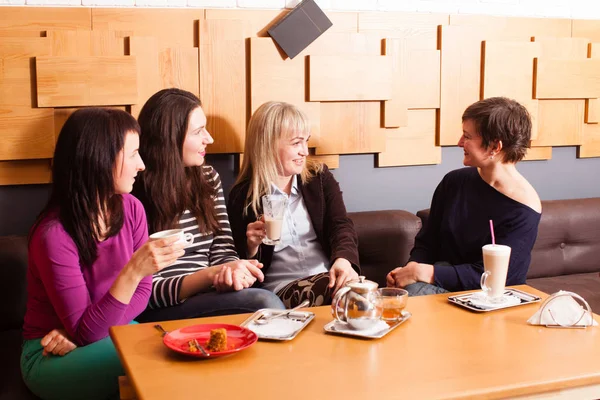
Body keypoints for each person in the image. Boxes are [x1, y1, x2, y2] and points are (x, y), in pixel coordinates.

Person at [21, 108, 184, 400]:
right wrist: (133, 270)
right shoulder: (53, 235)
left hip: (85, 336)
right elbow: (88, 330)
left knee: (173, 348)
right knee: (155, 363)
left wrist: (83, 332)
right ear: (100, 159)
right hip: (49, 352)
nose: (142, 165)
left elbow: (142, 294)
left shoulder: (132, 208)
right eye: (133, 154)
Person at [132, 88, 284, 322]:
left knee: (264, 300)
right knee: (266, 304)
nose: (209, 138)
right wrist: (209, 276)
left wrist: (231, 271)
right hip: (165, 305)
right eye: (198, 131)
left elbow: (223, 247)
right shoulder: (134, 190)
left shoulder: (208, 178)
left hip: (210, 293)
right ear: (169, 138)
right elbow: (140, 290)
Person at [387, 97, 542, 296]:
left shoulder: (523, 207)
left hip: (490, 296)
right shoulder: (454, 182)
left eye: (467, 136)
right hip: (437, 285)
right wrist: (409, 270)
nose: (460, 143)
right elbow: (427, 243)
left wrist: (424, 272)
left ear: (495, 146)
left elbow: (496, 277)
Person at [227, 101, 360, 308]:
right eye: (296, 143)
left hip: (329, 277)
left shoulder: (319, 178)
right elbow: (237, 263)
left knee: (361, 292)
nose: (305, 151)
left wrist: (343, 260)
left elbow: (341, 226)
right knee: (348, 295)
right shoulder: (242, 196)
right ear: (268, 144)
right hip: (280, 287)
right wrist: (251, 246)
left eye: (306, 141)